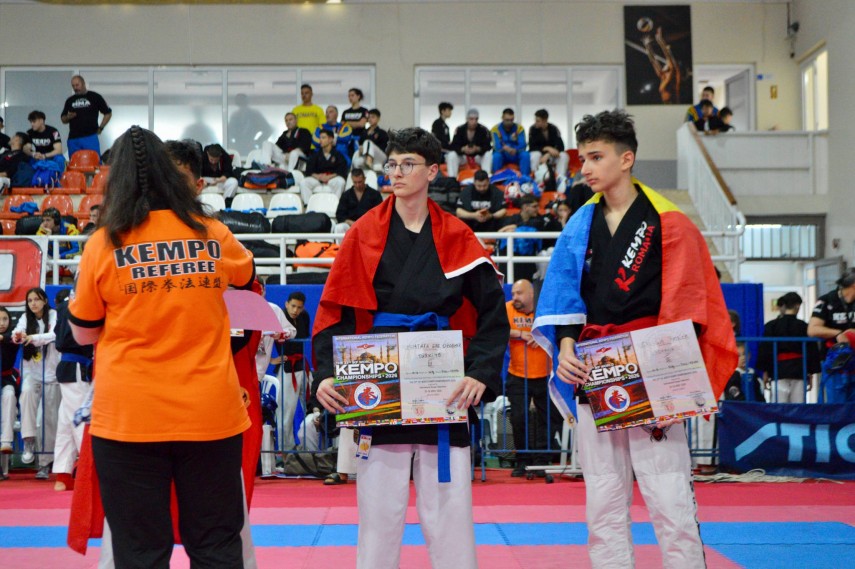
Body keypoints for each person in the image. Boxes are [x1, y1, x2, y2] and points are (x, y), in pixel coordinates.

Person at [532, 110, 737, 569]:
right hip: (595, 364)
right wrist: (565, 347)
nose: (585, 168)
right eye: (583, 159)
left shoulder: (670, 220)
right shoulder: (579, 224)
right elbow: (564, 297)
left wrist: (671, 376)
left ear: (626, 159)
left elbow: (688, 300)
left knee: (669, 494)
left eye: (596, 157)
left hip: (654, 362)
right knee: (603, 497)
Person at [311, 127, 508, 569]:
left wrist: (480, 372)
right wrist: (326, 372)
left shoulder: (457, 235)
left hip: (444, 382)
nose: (396, 173)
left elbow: (492, 313)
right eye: (391, 164)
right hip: (380, 383)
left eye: (407, 164)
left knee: (451, 515)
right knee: (378, 518)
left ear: (433, 171)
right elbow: (336, 310)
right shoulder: (363, 232)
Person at [67, 126, 256, 568]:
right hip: (209, 412)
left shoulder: (104, 243)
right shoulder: (211, 232)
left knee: (140, 553)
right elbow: (247, 280)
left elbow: (83, 332)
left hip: (130, 417)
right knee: (216, 546)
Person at [505, 279, 560, 479]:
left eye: (519, 293)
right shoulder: (507, 309)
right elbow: (498, 329)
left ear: (531, 294)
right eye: (513, 294)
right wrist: (521, 334)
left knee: (547, 419)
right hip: (517, 374)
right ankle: (522, 460)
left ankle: (541, 460)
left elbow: (558, 330)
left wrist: (542, 336)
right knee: (518, 418)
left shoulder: (545, 308)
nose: (515, 297)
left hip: (546, 374)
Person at [11, 287, 60, 480]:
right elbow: (17, 332)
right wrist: (18, 336)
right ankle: (28, 440)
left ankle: (45, 463)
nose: (33, 303)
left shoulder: (54, 315)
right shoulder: (25, 318)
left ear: (45, 301)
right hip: (32, 372)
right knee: (26, 396)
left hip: (52, 374)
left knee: (48, 419)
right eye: (30, 300)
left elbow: (54, 335)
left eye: (37, 299)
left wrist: (33, 338)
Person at [51, 288, 93, 491]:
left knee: (66, 421)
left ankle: (63, 475)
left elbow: (54, 334)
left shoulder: (65, 305)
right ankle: (87, 473)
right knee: (80, 420)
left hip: (70, 367)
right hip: (76, 367)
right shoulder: (78, 303)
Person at [755, 292, 820, 403]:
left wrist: (765, 371)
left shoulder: (772, 326)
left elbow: (765, 350)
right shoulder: (804, 327)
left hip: (778, 370)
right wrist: (810, 373)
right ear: (798, 306)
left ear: (784, 305)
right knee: (798, 407)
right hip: (799, 370)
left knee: (778, 407)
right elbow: (811, 351)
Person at [808, 269, 855, 403]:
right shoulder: (827, 300)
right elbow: (812, 329)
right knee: (835, 405)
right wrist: (838, 333)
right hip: (835, 361)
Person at [61, 75, 112, 157]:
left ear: (83, 83)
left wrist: (101, 128)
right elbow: (63, 119)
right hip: (73, 138)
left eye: (77, 85)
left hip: (90, 137)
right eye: (73, 86)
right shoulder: (70, 100)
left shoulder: (95, 97)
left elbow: (108, 113)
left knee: (93, 161)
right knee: (75, 162)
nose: (75, 88)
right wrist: (68, 117)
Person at [299, 129, 348, 205]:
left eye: (323, 137)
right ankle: (308, 205)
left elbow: (341, 170)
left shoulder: (338, 155)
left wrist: (328, 177)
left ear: (331, 139)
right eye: (320, 138)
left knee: (340, 182)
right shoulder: (315, 155)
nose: (320, 140)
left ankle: (336, 205)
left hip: (332, 179)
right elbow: (309, 170)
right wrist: (318, 176)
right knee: (304, 182)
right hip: (318, 179)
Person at [333, 168, 383, 233]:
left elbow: (379, 213)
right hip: (350, 225)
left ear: (364, 179)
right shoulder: (346, 195)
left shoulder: (375, 194)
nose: (357, 185)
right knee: (339, 228)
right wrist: (350, 222)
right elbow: (340, 214)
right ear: (352, 180)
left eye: (360, 182)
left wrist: (366, 223)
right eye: (355, 182)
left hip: (369, 224)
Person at [642, 26, 681, 104]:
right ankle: (658, 39)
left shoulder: (662, 81)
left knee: (659, 67)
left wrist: (647, 45)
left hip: (667, 78)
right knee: (670, 62)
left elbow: (653, 61)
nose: (664, 96)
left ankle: (650, 42)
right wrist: (660, 40)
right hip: (671, 77)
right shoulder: (673, 86)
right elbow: (668, 57)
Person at [0, 307, 20, 458]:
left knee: (9, 395)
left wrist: (2, 338)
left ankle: (6, 441)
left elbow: (13, 338)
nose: (2, 323)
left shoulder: (12, 336)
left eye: (5, 319)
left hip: (6, 379)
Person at [449, 108, 492, 177]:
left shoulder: (483, 130)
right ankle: (452, 178)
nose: (474, 122)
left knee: (487, 155)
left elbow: (488, 146)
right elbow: (453, 145)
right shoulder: (460, 129)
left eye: (476, 119)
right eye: (471, 119)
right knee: (451, 155)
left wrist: (478, 149)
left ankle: (486, 177)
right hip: (463, 157)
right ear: (467, 119)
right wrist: (463, 149)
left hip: (478, 156)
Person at [528, 109, 569, 181]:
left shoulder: (553, 128)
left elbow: (561, 146)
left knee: (563, 155)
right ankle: (535, 179)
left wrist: (548, 154)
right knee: (535, 155)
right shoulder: (533, 129)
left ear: (545, 120)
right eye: (535, 120)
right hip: (540, 156)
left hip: (551, 156)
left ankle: (560, 179)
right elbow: (532, 147)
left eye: (538, 121)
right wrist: (547, 148)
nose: (536, 123)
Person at [490, 108, 530, 176]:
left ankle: (524, 177)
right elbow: (496, 146)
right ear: (502, 118)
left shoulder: (519, 128)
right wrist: (505, 148)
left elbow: (523, 145)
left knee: (525, 155)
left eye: (511, 120)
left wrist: (515, 149)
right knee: (496, 156)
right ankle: (496, 177)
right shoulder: (495, 129)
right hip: (503, 154)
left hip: (516, 154)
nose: (509, 123)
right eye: (507, 120)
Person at [431, 102, 455, 171]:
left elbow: (447, 141)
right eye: (449, 110)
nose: (450, 112)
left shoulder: (446, 126)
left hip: (446, 150)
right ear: (443, 111)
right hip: (440, 151)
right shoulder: (437, 123)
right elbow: (435, 139)